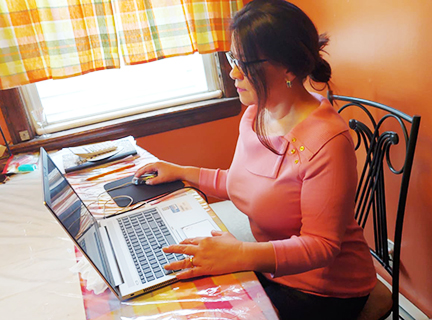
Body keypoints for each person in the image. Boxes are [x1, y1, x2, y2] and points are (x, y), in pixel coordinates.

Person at [133, 0, 377, 319]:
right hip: (268, 265)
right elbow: (242, 183)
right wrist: (181, 171)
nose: (233, 72)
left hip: (323, 289)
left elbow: (321, 247)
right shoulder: (255, 115)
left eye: (244, 62)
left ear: (288, 68)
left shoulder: (327, 142)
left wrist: (241, 255)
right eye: (232, 57)